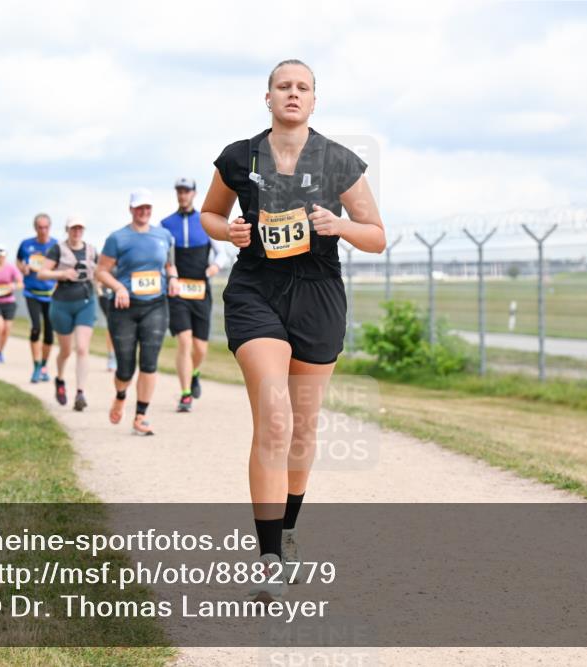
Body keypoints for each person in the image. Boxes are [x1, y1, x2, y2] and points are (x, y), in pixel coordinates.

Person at [199, 60, 385, 601]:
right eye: (285, 86)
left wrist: (339, 225)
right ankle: (269, 558)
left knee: (303, 428)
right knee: (275, 420)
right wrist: (228, 230)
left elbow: (376, 236)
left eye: (303, 87)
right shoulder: (240, 155)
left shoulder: (339, 160)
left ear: (314, 100)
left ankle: (290, 529)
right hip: (257, 289)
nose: (293, 94)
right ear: (268, 97)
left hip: (319, 294)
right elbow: (211, 215)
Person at [95, 188, 179, 436]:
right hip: (124, 307)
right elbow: (100, 272)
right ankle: (121, 395)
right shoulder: (117, 238)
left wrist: (173, 278)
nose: (144, 212)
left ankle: (141, 415)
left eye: (148, 208)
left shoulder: (163, 236)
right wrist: (118, 286)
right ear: (131, 209)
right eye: (139, 207)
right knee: (125, 367)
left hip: (155, 304)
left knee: (149, 362)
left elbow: (169, 264)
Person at [160, 177, 228, 412]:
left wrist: (214, 267)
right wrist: (170, 274)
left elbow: (222, 253)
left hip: (200, 289)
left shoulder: (205, 221)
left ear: (194, 193)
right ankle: (185, 393)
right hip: (177, 289)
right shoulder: (166, 224)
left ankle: (195, 372)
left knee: (200, 348)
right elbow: (162, 256)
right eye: (179, 191)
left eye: (186, 191)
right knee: (184, 342)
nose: (182, 195)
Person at [37, 216, 98, 411]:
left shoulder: (91, 250)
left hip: (86, 301)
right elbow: (42, 273)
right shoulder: (57, 249)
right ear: (67, 230)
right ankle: (60, 379)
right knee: (66, 351)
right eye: (73, 228)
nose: (77, 231)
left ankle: (80, 393)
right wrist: (62, 274)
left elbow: (99, 272)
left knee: (81, 348)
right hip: (62, 303)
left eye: (80, 228)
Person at [17, 213, 58, 383]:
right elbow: (18, 261)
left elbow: (62, 264)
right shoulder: (26, 244)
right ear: (35, 228)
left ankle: (43, 365)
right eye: (40, 227)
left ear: (50, 227)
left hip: (50, 294)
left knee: (49, 334)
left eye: (46, 227)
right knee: (35, 328)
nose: (43, 230)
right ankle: (35, 366)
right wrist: (23, 268)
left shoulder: (55, 245)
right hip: (32, 292)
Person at [96, 282, 118, 371]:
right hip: (105, 296)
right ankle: (111, 356)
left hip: (121, 294)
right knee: (111, 325)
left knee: (119, 326)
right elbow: (97, 276)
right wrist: (99, 292)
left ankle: (120, 356)